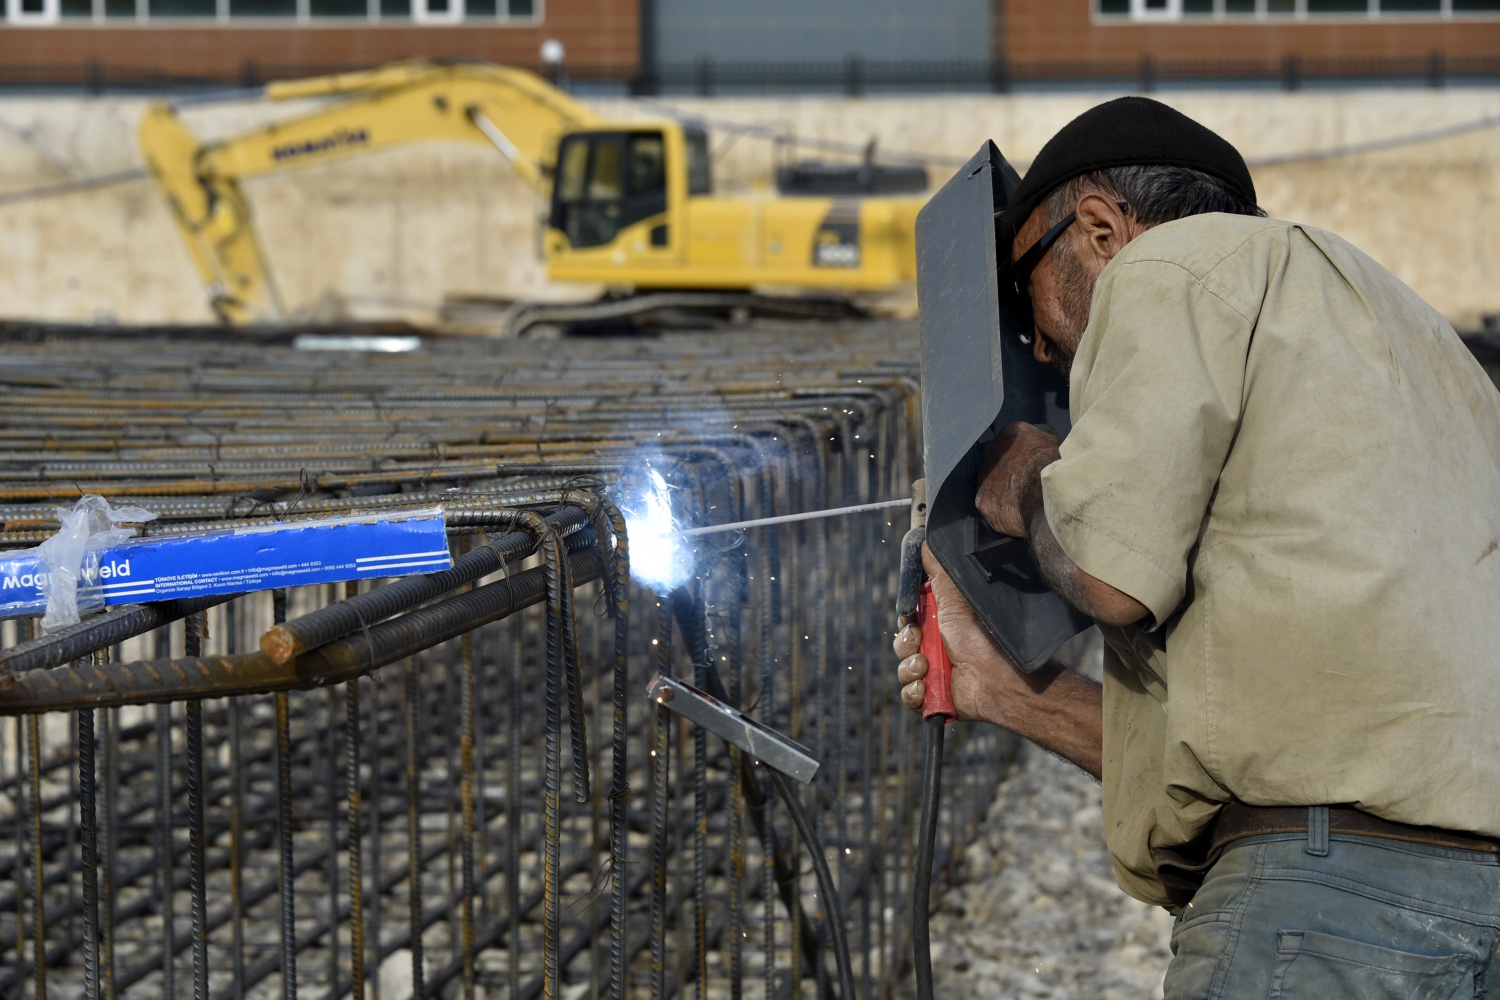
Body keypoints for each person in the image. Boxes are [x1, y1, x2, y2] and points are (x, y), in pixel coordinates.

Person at [893, 96, 1500, 998]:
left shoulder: (1166, 266)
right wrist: (1004, 689)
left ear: (1098, 229)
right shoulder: (1409, 335)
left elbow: (1106, 578)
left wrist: (1025, 479)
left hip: (1320, 909)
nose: (1042, 350)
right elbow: (1262, 760)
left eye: (1031, 300)